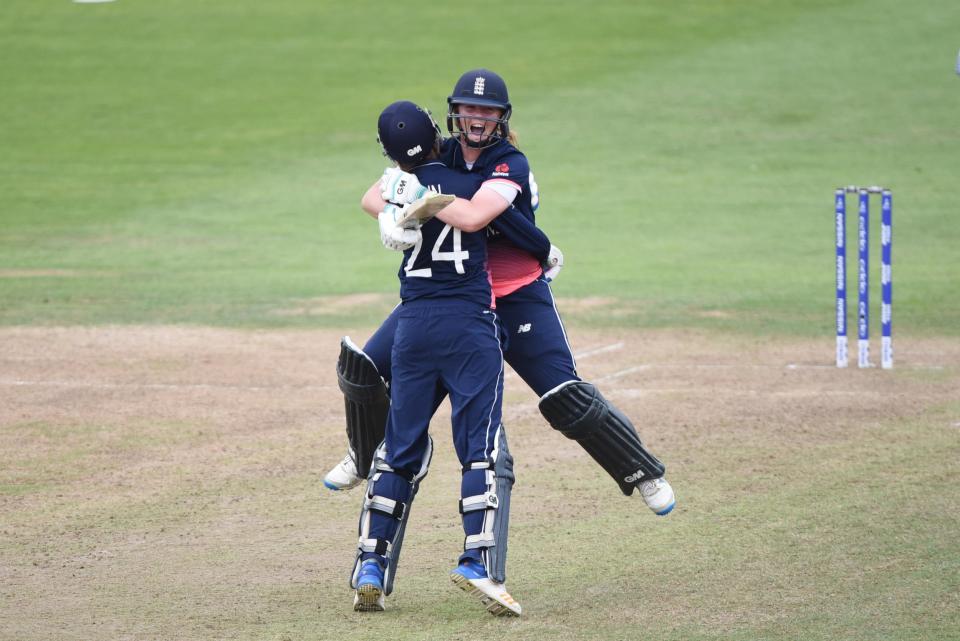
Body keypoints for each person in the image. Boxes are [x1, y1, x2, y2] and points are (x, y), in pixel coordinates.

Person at [330, 69, 674, 516]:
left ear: (501, 117)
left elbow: (476, 218)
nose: (476, 118)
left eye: (487, 110)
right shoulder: (442, 153)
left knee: (563, 396)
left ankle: (642, 472)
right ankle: (362, 454)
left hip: (513, 293)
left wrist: (417, 194)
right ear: (453, 113)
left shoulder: (510, 162)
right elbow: (373, 195)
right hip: (452, 298)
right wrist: (391, 217)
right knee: (365, 369)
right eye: (469, 108)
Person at [349, 100, 521, 617]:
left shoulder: (396, 184)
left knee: (399, 448)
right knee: (479, 448)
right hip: (468, 324)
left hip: (414, 327)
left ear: (391, 153)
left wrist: (391, 208)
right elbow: (483, 218)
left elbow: (373, 197)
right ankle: (475, 561)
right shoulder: (467, 182)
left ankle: (370, 565)